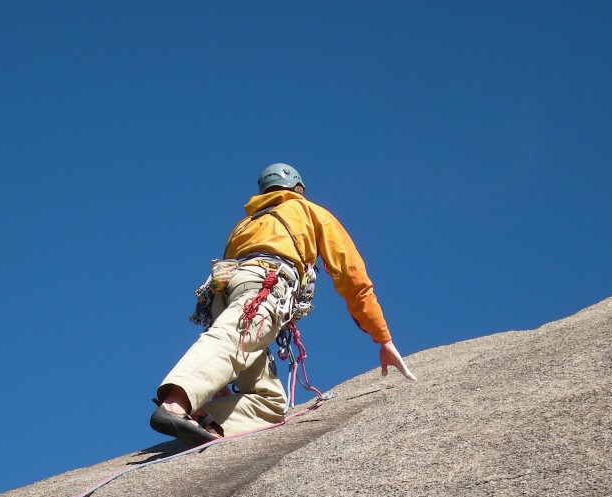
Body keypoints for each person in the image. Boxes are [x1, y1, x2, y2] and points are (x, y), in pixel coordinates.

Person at [150, 163, 417, 447]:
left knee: (271, 402)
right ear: (299, 189)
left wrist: (214, 382)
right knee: (233, 337)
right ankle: (177, 402)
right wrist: (382, 338)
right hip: (265, 285)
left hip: (225, 294)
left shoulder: (245, 225)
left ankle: (209, 419)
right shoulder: (309, 211)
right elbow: (352, 276)